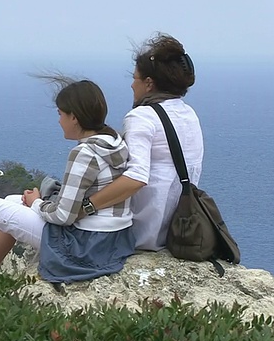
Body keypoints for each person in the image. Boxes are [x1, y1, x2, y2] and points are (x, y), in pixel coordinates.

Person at [0, 78, 135, 282]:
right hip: (113, 239)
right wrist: (37, 203)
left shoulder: (85, 153)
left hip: (84, 245)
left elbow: (63, 216)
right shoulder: (114, 142)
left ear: (74, 118)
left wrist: (37, 203)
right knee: (11, 202)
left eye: (61, 114)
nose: (59, 120)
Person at [86, 33, 203, 251]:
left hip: (142, 231)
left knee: (15, 208)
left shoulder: (142, 117)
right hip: (179, 228)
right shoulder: (189, 114)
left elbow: (136, 177)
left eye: (135, 78)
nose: (132, 85)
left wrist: (86, 206)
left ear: (148, 83)